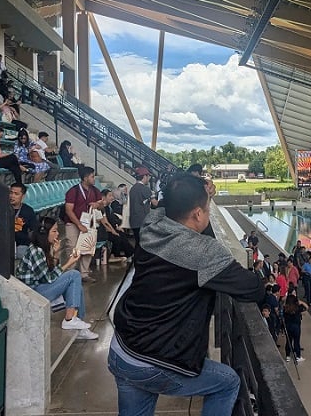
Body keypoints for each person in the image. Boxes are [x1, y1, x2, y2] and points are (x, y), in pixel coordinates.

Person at [109, 173, 263, 415]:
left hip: (122, 349)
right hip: (155, 362)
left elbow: (164, 207)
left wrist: (199, 194)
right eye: (207, 208)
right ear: (198, 214)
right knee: (227, 382)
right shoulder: (204, 253)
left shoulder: (151, 225)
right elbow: (253, 288)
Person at [15, 217, 97, 340]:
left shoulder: (43, 248)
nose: (57, 234)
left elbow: (51, 273)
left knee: (75, 284)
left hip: (40, 287)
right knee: (73, 274)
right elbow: (49, 278)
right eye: (54, 231)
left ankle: (79, 327)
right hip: (32, 293)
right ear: (44, 233)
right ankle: (70, 319)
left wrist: (57, 254)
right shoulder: (35, 251)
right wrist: (68, 263)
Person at [62, 167, 104, 280]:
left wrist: (97, 204)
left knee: (87, 247)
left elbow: (101, 204)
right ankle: (69, 273)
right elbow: (68, 210)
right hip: (73, 223)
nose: (93, 178)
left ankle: (84, 274)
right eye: (92, 176)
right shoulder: (73, 191)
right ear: (85, 178)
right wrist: (79, 225)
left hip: (88, 224)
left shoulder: (95, 190)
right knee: (72, 247)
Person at [0, 182, 37, 257]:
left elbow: (34, 230)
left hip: (21, 245)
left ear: (23, 196)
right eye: (11, 193)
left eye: (16, 194)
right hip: (2, 242)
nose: (12, 196)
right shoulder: (0, 207)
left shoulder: (28, 211)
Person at [129, 166, 156, 245]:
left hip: (134, 221)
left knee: (138, 243)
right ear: (144, 176)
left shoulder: (132, 188)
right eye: (148, 176)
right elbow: (154, 203)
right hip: (142, 221)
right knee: (145, 244)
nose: (149, 178)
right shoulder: (145, 189)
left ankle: (136, 257)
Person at [282, 293, 308, 363]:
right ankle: (298, 356)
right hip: (296, 327)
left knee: (288, 341)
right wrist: (301, 302)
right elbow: (306, 307)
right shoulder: (297, 308)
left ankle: (288, 356)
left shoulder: (285, 309)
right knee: (296, 341)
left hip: (288, 326)